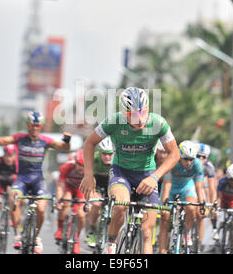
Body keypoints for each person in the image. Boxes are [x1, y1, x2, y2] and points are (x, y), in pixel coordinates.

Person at [80, 87, 180, 254]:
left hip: (147, 174)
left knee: (147, 233)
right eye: (133, 115)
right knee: (121, 206)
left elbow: (175, 154)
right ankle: (111, 242)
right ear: (125, 113)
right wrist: (88, 174)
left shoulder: (158, 123)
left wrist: (155, 177)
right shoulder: (114, 121)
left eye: (143, 113)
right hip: (122, 172)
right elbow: (90, 143)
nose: (139, 120)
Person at [0, 111, 71, 253]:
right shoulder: (19, 138)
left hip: (38, 179)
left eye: (38, 125)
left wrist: (67, 141)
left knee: (40, 207)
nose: (34, 128)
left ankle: (37, 237)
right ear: (28, 125)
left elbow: (63, 147)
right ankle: (18, 234)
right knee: (13, 197)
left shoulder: (45, 140)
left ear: (41, 126)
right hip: (22, 179)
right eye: (32, 125)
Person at [158, 140, 205, 254]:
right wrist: (164, 202)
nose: (189, 162)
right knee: (165, 218)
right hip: (171, 186)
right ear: (180, 155)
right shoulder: (172, 159)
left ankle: (186, 233)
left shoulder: (197, 164)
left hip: (186, 186)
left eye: (191, 159)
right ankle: (162, 251)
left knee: (191, 208)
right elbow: (167, 183)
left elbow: (199, 186)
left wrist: (202, 203)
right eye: (186, 159)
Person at [54, 149, 87, 254]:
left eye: (84, 165)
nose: (81, 168)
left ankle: (76, 238)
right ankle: (60, 227)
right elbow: (60, 186)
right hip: (68, 187)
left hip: (80, 190)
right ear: (75, 162)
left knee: (81, 215)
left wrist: (88, 202)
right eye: (79, 165)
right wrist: (59, 200)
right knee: (65, 203)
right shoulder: (66, 167)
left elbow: (90, 188)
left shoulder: (89, 170)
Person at [85, 137, 115, 248]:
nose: (107, 157)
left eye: (110, 154)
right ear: (99, 152)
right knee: (96, 204)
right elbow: (89, 179)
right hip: (97, 183)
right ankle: (92, 231)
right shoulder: (95, 159)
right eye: (104, 153)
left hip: (111, 185)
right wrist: (89, 198)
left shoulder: (117, 160)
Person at [0, 144, 18, 250]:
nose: (9, 158)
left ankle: (16, 233)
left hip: (13, 185)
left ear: (15, 155)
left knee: (14, 201)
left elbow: (21, 181)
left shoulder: (18, 164)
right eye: (7, 155)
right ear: (3, 155)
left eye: (11, 155)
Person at [196, 142, 216, 246]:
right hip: (188, 187)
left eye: (203, 157)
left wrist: (212, 204)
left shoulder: (209, 167)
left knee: (201, 216)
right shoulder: (189, 162)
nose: (200, 159)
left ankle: (199, 245)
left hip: (201, 189)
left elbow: (212, 189)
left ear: (207, 158)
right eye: (197, 156)